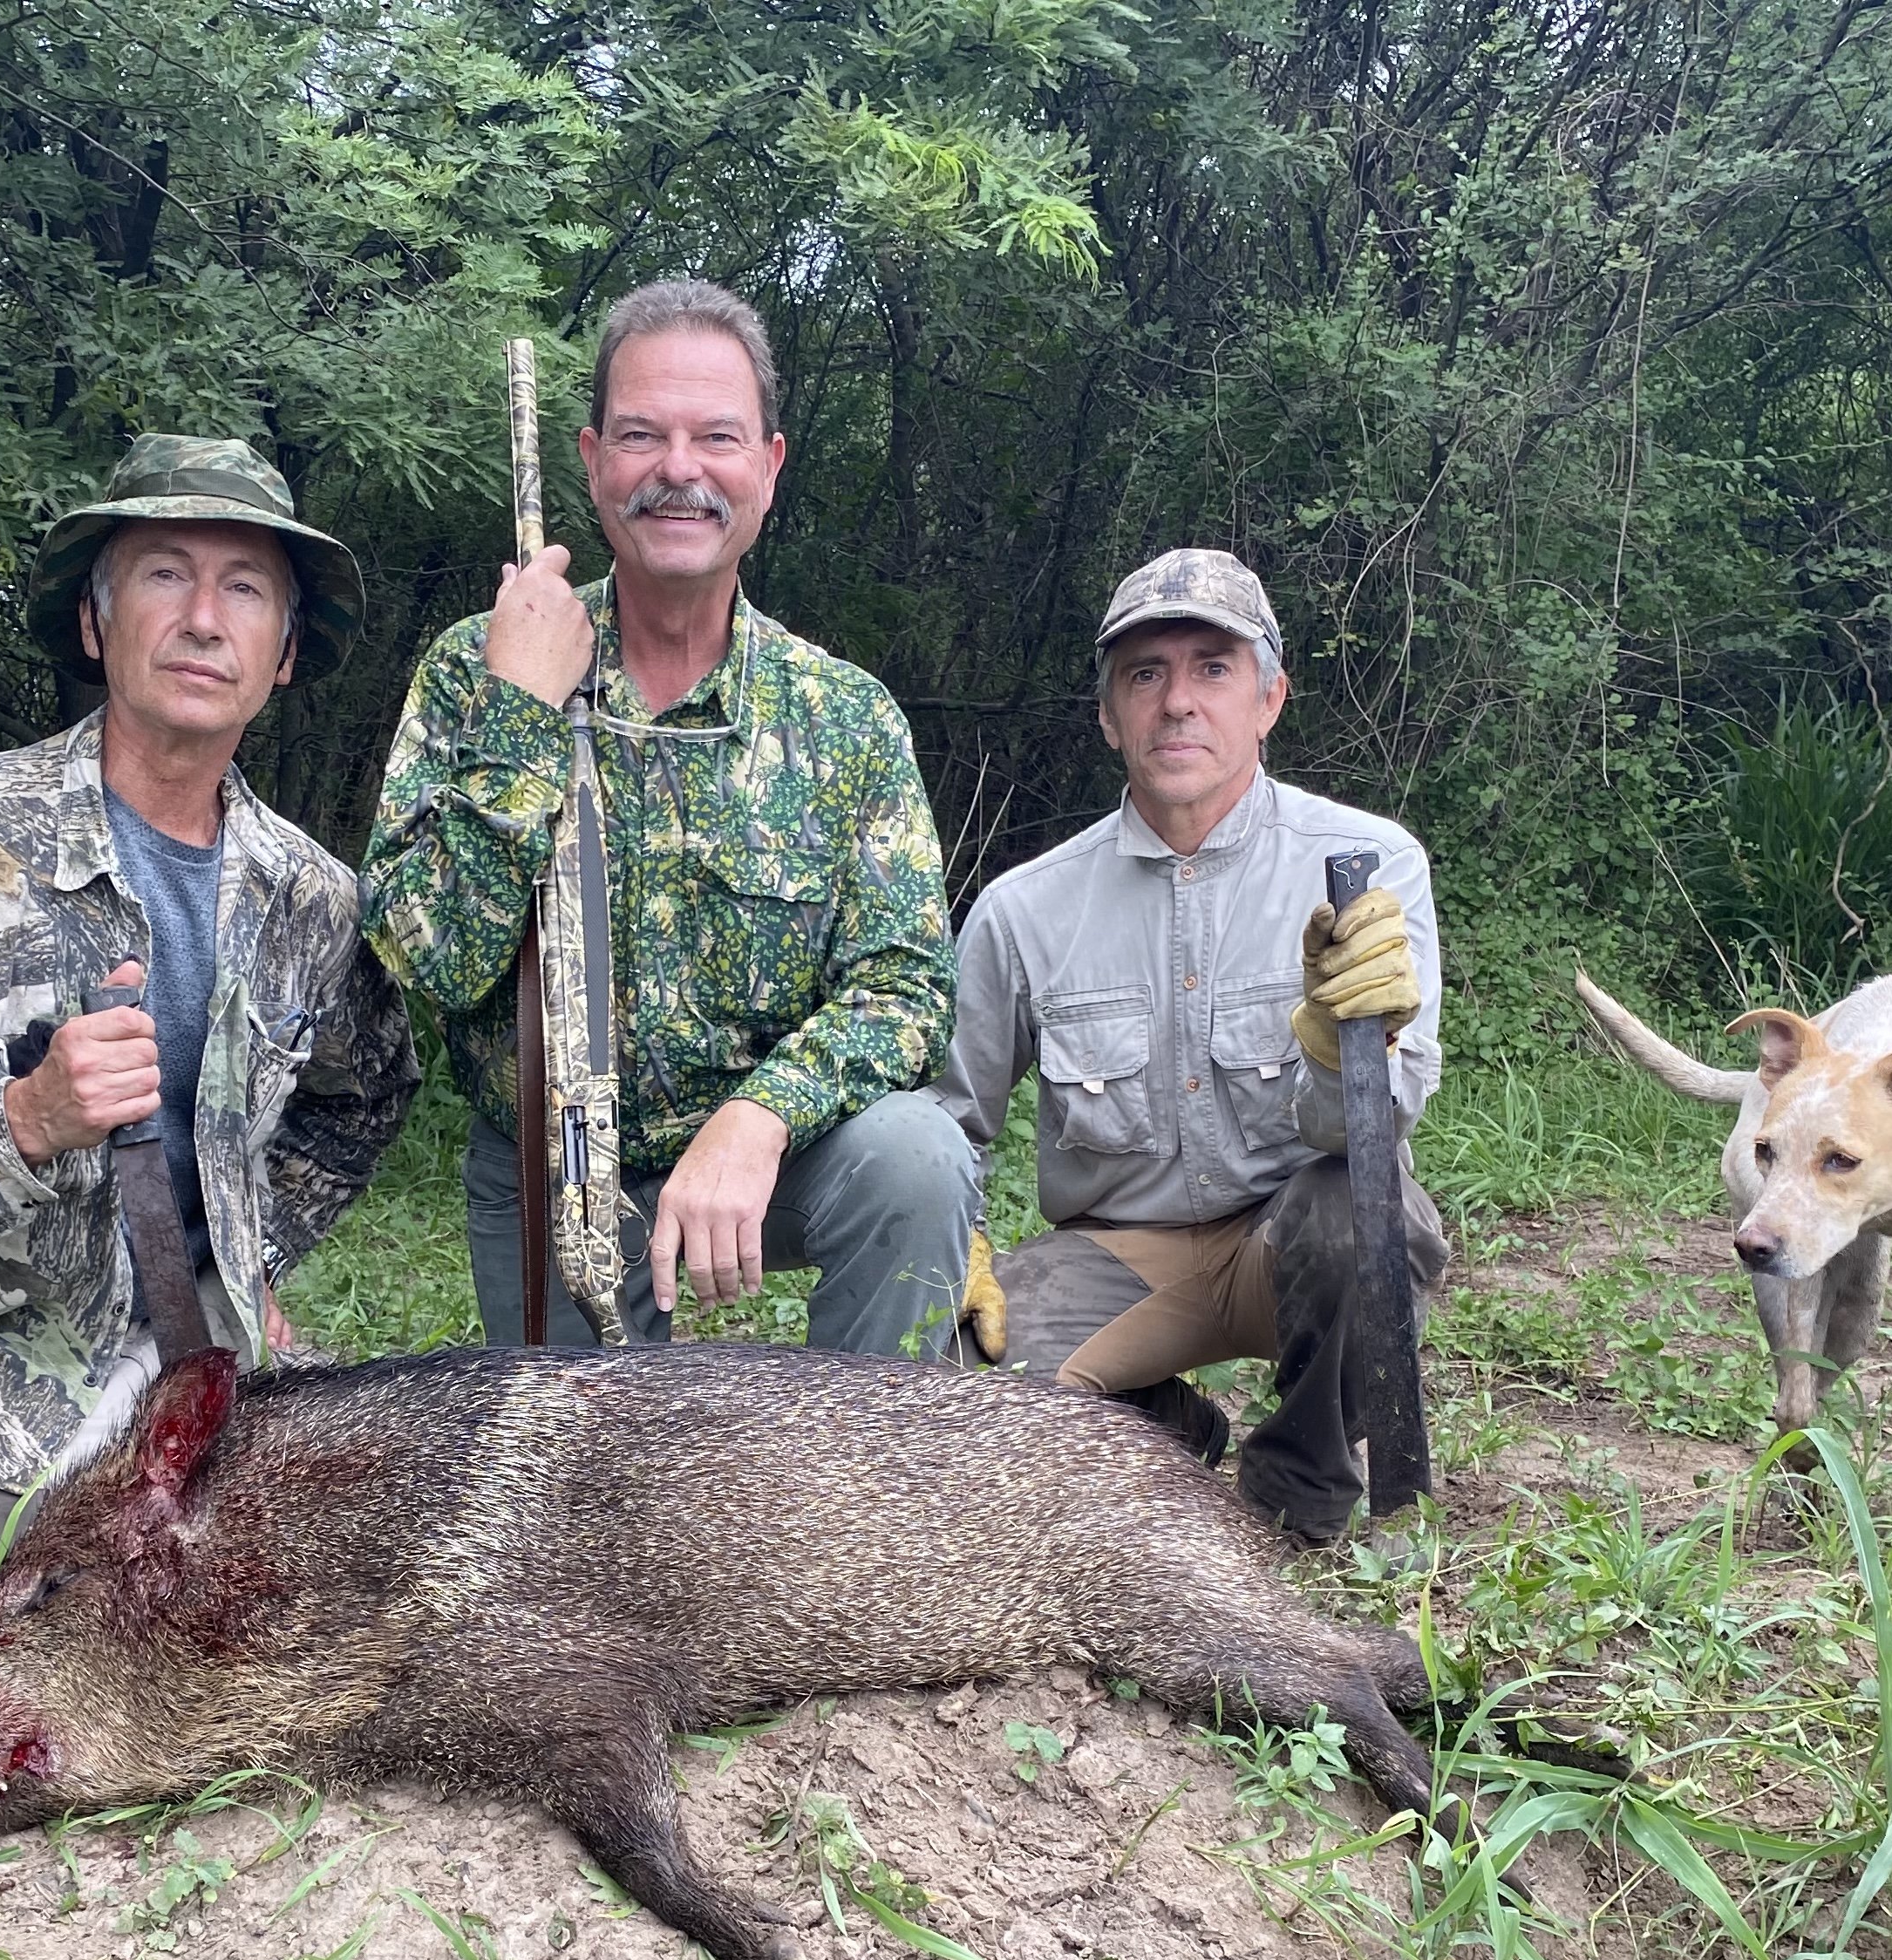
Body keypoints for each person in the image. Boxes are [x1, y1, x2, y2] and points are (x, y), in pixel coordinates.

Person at [0, 434, 418, 1592]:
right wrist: (22, 1119)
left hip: (186, 1354)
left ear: (287, 652)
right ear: (97, 623)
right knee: (102, 1591)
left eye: (245, 588)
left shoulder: (308, 895)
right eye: (164, 573)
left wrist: (253, 1254)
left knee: (359, 1550)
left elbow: (363, 1098)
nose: (204, 618)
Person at [365, 281, 973, 1353]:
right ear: (595, 461)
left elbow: (909, 988)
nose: (679, 470)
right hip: (553, 1170)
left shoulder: (843, 715)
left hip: (774, 1164)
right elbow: (433, 965)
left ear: (769, 468)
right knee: (588, 1508)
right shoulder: (479, 664)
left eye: (716, 438)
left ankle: (862, 1491)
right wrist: (519, 712)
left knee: (917, 1160)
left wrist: (760, 1115)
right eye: (643, 435)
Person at [929, 548, 1450, 1545]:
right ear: (1108, 715)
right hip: (1120, 1252)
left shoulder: (1368, 867)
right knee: (960, 1383)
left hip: (1289, 1241)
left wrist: (1342, 1054)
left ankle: (1300, 1485)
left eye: (1212, 669)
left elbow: (1385, 1124)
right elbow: (952, 1122)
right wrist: (957, 1243)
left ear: (1268, 699)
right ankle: (1155, 1428)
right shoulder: (1022, 910)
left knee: (1361, 1212)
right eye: (1145, 674)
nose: (1177, 703)